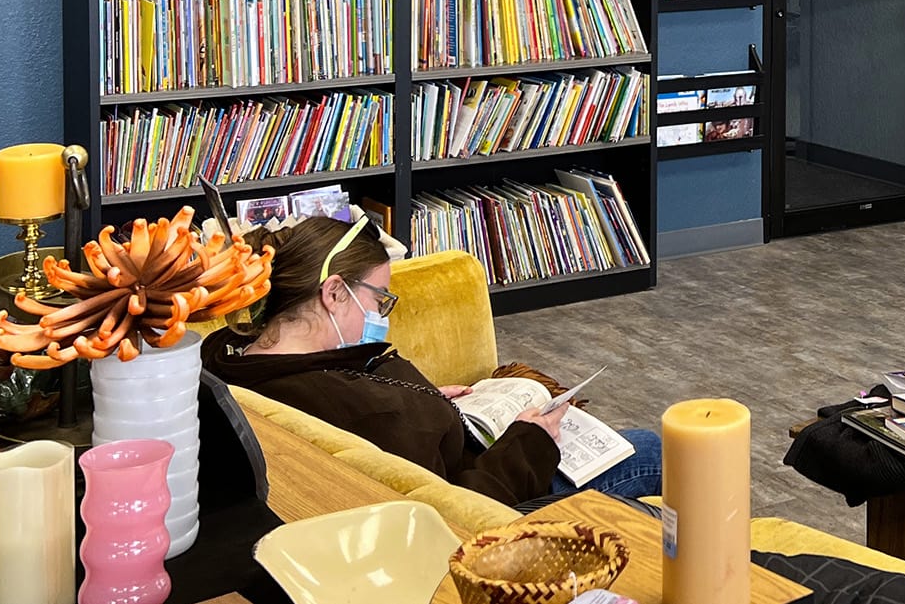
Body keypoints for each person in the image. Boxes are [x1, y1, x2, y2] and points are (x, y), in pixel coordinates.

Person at [201, 214, 661, 507]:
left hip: (456, 442)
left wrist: (426, 400)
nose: (382, 312)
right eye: (379, 298)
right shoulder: (370, 410)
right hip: (495, 486)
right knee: (652, 448)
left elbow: (356, 408)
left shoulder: (229, 353)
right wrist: (531, 440)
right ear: (335, 292)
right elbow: (458, 508)